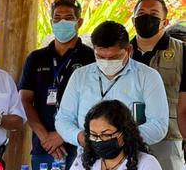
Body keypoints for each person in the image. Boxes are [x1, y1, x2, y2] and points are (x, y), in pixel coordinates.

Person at [55, 21, 168, 150]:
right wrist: (80, 137)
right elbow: (63, 119)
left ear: (129, 50)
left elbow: (159, 125)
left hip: (131, 155)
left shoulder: (148, 76)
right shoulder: (80, 76)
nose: (107, 62)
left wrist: (122, 139)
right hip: (88, 157)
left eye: (115, 57)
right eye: (101, 57)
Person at [19, 0, 95, 170]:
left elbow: (97, 103)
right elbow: (25, 101)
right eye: (57, 18)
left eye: (68, 18)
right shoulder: (36, 58)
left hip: (80, 145)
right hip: (43, 146)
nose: (62, 22)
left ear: (79, 22)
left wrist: (62, 135)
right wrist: (46, 138)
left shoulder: (90, 58)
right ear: (51, 21)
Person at [130, 0, 185, 170]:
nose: (147, 18)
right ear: (133, 19)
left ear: (165, 21)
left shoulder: (182, 52)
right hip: (128, 137)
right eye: (142, 13)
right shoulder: (123, 52)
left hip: (167, 137)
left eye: (154, 14)